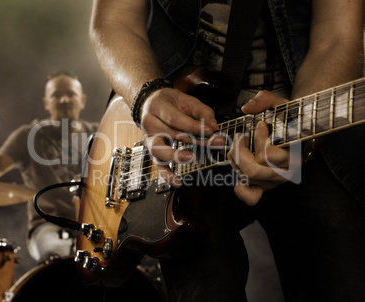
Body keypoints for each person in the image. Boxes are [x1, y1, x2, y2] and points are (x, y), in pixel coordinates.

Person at [89, 0, 365, 301]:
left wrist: (304, 138)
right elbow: (114, 20)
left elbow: (338, 37)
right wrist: (146, 94)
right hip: (179, 133)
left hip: (298, 123)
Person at [0, 71, 99, 262]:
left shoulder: (98, 134)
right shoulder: (28, 136)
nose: (64, 99)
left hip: (96, 223)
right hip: (48, 225)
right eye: (56, 94)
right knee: (56, 255)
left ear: (82, 100)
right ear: (46, 102)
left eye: (70, 94)